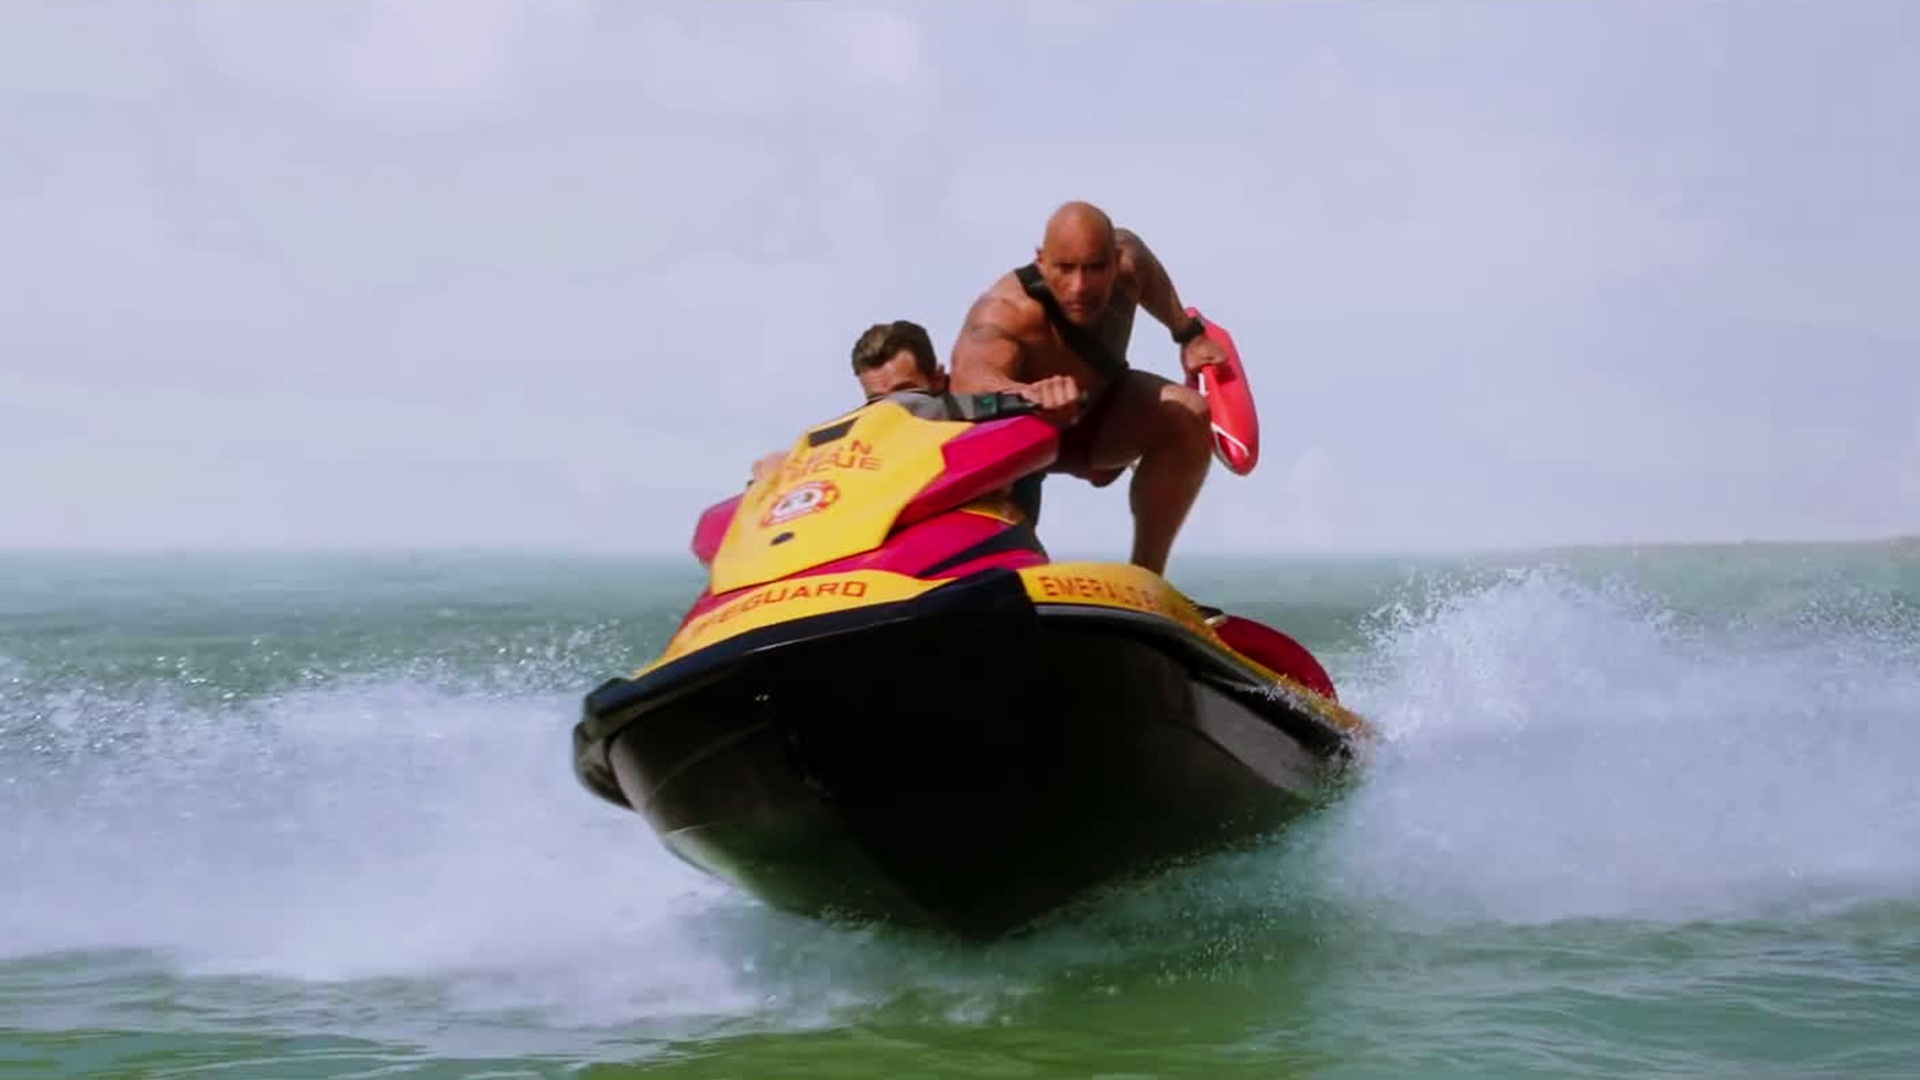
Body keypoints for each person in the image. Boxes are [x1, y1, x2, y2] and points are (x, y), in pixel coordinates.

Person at [945, 200, 1229, 577]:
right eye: (1065, 269)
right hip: (1023, 440)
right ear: (1042, 261)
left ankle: (1147, 579)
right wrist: (1027, 395)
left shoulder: (1131, 262)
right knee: (994, 476)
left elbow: (1144, 266)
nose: (1079, 287)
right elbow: (968, 382)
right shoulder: (1005, 310)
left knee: (1189, 414)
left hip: (1097, 420)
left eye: (1095, 268)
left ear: (1115, 261)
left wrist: (1187, 335)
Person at [749, 319, 1076, 485]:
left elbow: (1036, 406)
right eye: (877, 400)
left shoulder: (975, 412)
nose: (895, 407)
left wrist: (1052, 401)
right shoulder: (855, 443)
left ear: (937, 378)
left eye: (907, 392)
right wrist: (785, 471)